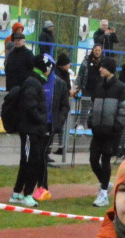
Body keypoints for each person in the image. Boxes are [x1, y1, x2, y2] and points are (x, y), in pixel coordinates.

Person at [8, 52, 53, 207]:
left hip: (34, 130)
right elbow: (30, 107)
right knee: (31, 162)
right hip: (30, 130)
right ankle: (27, 194)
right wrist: (42, 121)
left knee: (28, 161)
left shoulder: (34, 82)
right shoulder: (32, 83)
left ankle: (17, 192)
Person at [86, 56, 125, 207]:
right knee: (93, 159)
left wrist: (116, 126)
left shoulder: (121, 87)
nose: (100, 69)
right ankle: (104, 183)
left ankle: (103, 193)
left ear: (110, 69)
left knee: (105, 161)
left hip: (112, 133)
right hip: (98, 131)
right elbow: (92, 106)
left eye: (103, 67)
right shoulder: (98, 86)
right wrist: (91, 120)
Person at [33, 53, 70, 202]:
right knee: (35, 155)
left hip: (49, 124)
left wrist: (58, 123)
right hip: (36, 123)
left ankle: (44, 187)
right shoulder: (37, 80)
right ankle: (36, 185)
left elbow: (64, 106)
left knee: (41, 154)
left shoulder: (59, 84)